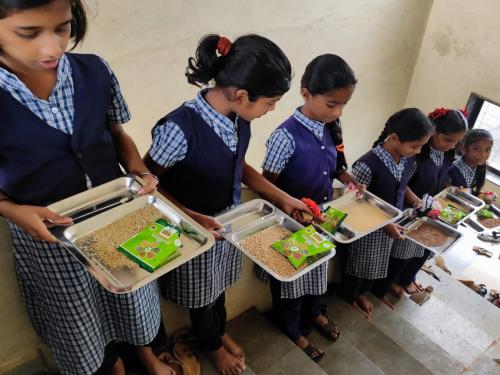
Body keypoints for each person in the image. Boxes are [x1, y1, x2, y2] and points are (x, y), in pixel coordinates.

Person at [0, 1, 174, 374]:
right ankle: (110, 366)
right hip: (48, 238)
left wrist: (140, 171)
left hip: (117, 218)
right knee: (79, 315)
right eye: (29, 33)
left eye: (62, 28)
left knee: (132, 296)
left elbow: (117, 134)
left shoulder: (94, 70)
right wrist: (13, 210)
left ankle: (144, 355)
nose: (52, 48)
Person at [144, 34, 310, 375]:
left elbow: (240, 166)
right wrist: (191, 218)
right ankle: (211, 345)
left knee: (218, 286)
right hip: (191, 230)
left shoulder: (239, 118)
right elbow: (147, 184)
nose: (272, 109)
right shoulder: (180, 129)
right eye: (271, 102)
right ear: (242, 95)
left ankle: (217, 333)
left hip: (227, 222)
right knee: (202, 294)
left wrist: (283, 198)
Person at [259, 54, 361, 361]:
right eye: (332, 104)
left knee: (318, 271)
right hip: (291, 226)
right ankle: (292, 328)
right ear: (305, 93)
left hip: (323, 219)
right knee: (290, 282)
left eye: (344, 104)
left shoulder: (331, 126)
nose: (338, 111)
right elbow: (268, 187)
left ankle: (315, 312)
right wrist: (291, 211)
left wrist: (349, 179)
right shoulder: (284, 137)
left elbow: (334, 165)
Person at [340, 108, 433, 320]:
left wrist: (414, 202)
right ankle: (350, 296)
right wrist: (385, 224)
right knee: (360, 265)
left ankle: (362, 293)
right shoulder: (367, 164)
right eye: (415, 146)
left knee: (377, 265)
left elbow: (403, 185)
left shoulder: (407, 159)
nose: (417, 151)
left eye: (420, 146)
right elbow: (357, 202)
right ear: (393, 138)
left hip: (391, 223)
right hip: (367, 228)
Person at [390, 108, 467, 297]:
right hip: (413, 208)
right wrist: (416, 201)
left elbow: (443, 175)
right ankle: (392, 281)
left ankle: (408, 278)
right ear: (433, 132)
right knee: (404, 251)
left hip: (431, 209)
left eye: (456, 142)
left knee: (423, 250)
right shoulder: (417, 152)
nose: (451, 146)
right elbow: (402, 181)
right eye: (448, 140)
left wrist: (451, 189)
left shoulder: (447, 153)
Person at [449, 128, 493, 194]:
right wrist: (454, 191)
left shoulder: (478, 168)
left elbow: (470, 192)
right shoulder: (452, 170)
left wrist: (485, 195)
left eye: (488, 150)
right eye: (476, 149)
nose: (483, 154)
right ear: (464, 149)